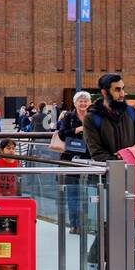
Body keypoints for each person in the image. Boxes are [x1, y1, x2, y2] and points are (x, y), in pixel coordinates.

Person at [83, 74, 135, 162]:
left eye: (123, 88)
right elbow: (96, 152)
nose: (122, 94)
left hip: (133, 169)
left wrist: (131, 154)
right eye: (117, 90)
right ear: (104, 92)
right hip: (107, 172)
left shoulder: (131, 112)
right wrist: (120, 160)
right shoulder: (92, 117)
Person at [57, 90, 91, 232]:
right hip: (71, 159)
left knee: (86, 192)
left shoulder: (93, 117)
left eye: (85, 101)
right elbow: (62, 134)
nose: (83, 103)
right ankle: (74, 224)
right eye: (80, 101)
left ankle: (84, 223)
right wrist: (76, 130)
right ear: (75, 103)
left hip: (89, 159)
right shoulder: (68, 117)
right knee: (72, 193)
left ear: (89, 103)